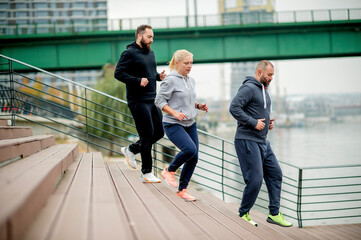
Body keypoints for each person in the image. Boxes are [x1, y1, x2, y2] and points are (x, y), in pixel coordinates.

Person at [229, 60, 292, 227]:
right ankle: (243, 213)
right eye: (269, 75)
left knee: (276, 174)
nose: (271, 78)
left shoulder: (264, 91)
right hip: (247, 140)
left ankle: (274, 213)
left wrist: (267, 124)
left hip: (263, 141)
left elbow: (258, 113)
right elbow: (234, 108)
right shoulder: (249, 88)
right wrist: (253, 122)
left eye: (273, 75)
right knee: (255, 180)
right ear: (259, 72)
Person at [114, 24, 166, 183]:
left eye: (152, 37)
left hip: (152, 99)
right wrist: (136, 81)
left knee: (159, 133)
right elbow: (118, 73)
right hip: (138, 101)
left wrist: (158, 77)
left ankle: (130, 149)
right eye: (149, 37)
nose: (151, 40)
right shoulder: (129, 53)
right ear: (139, 36)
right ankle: (146, 173)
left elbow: (149, 73)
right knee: (147, 134)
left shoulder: (150, 53)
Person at [155, 49, 208, 201]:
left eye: (191, 63)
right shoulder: (170, 80)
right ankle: (169, 170)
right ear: (177, 63)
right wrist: (174, 113)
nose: (189, 66)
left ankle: (182, 190)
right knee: (189, 149)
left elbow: (187, 101)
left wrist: (198, 106)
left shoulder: (191, 80)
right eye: (186, 63)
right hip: (173, 124)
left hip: (190, 123)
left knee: (194, 156)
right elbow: (159, 101)